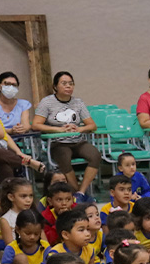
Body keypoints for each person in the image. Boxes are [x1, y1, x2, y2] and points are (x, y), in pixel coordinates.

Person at [31, 72, 99, 202]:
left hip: (78, 142)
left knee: (95, 154)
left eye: (71, 83)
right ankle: (74, 191)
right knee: (64, 158)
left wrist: (80, 128)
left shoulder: (78, 102)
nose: (68, 86)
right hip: (58, 143)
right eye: (64, 83)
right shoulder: (47, 102)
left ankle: (81, 192)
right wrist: (58, 129)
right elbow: (35, 125)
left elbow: (92, 125)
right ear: (55, 86)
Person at [0, 71, 32, 137]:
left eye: (14, 85)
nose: (11, 87)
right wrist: (10, 131)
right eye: (7, 84)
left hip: (19, 139)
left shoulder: (23, 104)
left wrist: (21, 129)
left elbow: (26, 126)